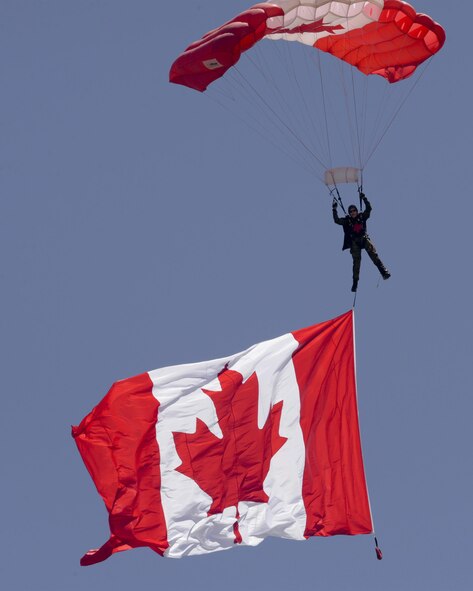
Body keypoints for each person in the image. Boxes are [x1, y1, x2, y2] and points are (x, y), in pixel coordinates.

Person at [332, 193, 390, 292]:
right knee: (356, 263)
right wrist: (334, 209)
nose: (353, 212)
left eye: (354, 210)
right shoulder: (347, 220)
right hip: (354, 243)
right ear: (349, 213)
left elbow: (369, 208)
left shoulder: (362, 216)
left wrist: (364, 198)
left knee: (373, 254)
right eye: (351, 211)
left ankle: (383, 271)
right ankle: (355, 283)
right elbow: (337, 220)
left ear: (357, 211)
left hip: (363, 239)